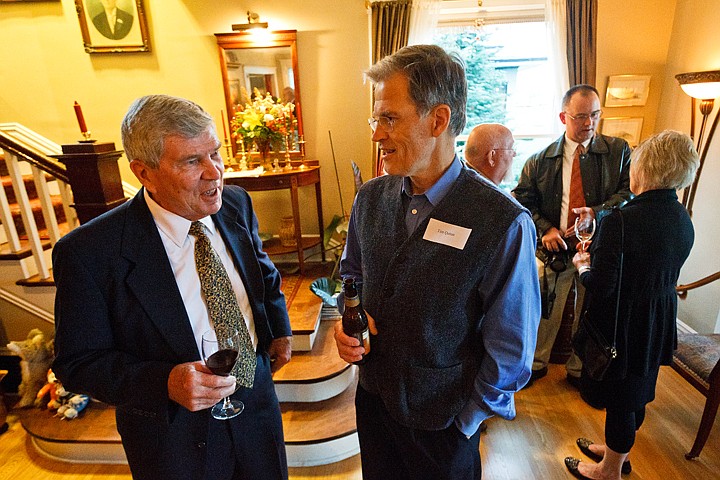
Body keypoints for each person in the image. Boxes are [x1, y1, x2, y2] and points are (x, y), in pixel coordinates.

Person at [52, 94, 292, 480]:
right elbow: (77, 363)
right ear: (144, 173)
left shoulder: (236, 204)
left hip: (257, 409)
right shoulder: (89, 253)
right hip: (174, 440)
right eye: (192, 161)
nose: (214, 173)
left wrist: (278, 329)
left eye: (215, 153)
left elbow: (263, 273)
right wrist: (164, 382)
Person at [333, 44, 540, 480]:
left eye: (389, 119)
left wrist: (464, 424)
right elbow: (351, 275)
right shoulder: (370, 198)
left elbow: (512, 349)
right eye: (377, 119)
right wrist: (347, 316)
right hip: (373, 405)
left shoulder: (502, 221)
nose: (376, 134)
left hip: (444, 426)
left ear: (439, 120)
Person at [564, 130, 698, 480]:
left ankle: (609, 470)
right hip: (658, 319)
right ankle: (617, 454)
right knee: (637, 392)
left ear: (645, 169)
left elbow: (602, 287)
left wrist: (583, 266)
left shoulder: (620, 222)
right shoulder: (682, 218)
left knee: (621, 401)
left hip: (623, 325)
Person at [513, 84, 632, 388]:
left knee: (589, 312)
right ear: (563, 117)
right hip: (556, 248)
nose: (588, 123)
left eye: (594, 115)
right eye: (580, 117)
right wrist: (545, 229)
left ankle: (580, 371)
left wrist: (597, 212)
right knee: (545, 311)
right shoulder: (539, 160)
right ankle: (536, 365)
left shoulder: (618, 151)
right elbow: (523, 201)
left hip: (598, 247)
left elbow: (628, 192)